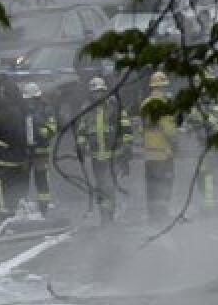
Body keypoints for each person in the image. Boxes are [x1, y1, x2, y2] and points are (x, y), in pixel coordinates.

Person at [75, 75, 131, 225]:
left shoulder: (114, 106)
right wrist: (80, 146)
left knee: (109, 186)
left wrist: (126, 147)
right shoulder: (86, 110)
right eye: (94, 92)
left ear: (104, 91)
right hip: (96, 157)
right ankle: (104, 215)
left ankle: (109, 216)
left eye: (100, 91)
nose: (97, 94)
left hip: (113, 156)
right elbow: (81, 130)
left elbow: (126, 127)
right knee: (100, 186)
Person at [0, 77, 30, 216]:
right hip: (20, 159)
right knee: (15, 186)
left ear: (7, 95)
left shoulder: (4, 114)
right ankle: (13, 209)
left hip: (3, 159)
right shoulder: (23, 112)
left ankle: (1, 210)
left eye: (1, 93)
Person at [140, 71, 177, 220]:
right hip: (164, 153)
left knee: (152, 187)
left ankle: (152, 216)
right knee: (165, 185)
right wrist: (175, 140)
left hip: (149, 154)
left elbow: (142, 129)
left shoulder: (145, 104)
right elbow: (169, 129)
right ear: (163, 86)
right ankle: (162, 216)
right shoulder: (165, 104)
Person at [23, 82, 56, 213]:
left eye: (31, 99)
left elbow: (52, 128)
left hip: (41, 151)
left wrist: (41, 132)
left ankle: (44, 208)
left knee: (41, 179)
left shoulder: (46, 108)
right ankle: (22, 207)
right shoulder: (23, 109)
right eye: (27, 99)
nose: (29, 102)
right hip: (25, 151)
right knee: (22, 179)